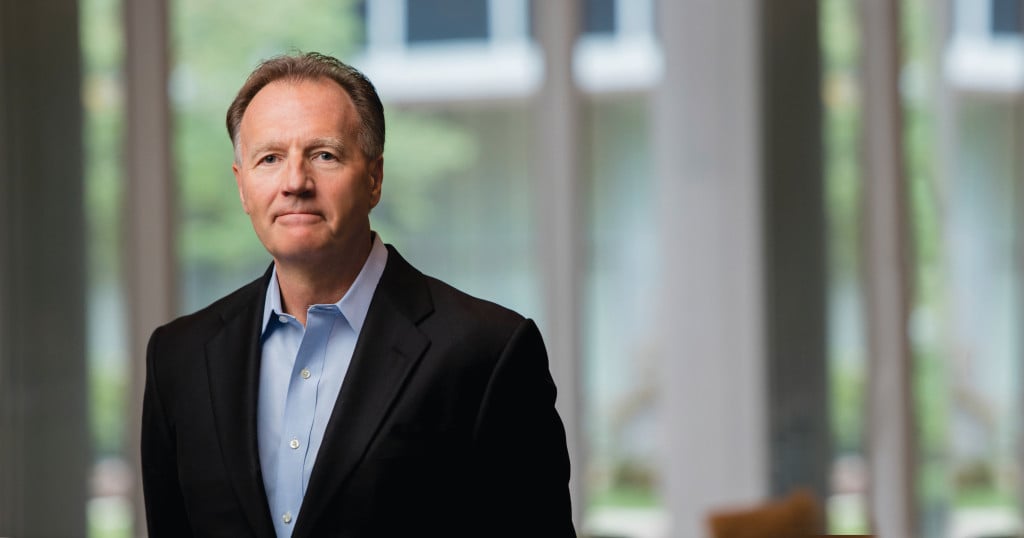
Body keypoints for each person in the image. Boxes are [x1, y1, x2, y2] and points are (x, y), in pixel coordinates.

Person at [140, 52, 575, 537]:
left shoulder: (486, 352)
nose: (295, 182)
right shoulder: (178, 358)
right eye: (270, 158)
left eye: (324, 155)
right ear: (243, 187)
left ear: (374, 178)